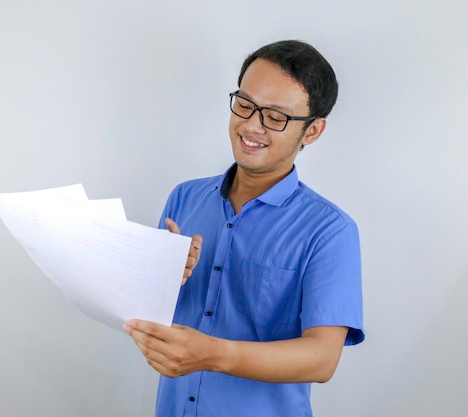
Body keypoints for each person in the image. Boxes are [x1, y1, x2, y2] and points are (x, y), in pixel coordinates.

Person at [124, 39, 364, 417]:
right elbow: (145, 310)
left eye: (275, 116)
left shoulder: (330, 231)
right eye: (246, 104)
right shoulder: (184, 199)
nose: (251, 125)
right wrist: (160, 276)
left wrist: (214, 354)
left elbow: (322, 359)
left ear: (313, 130)